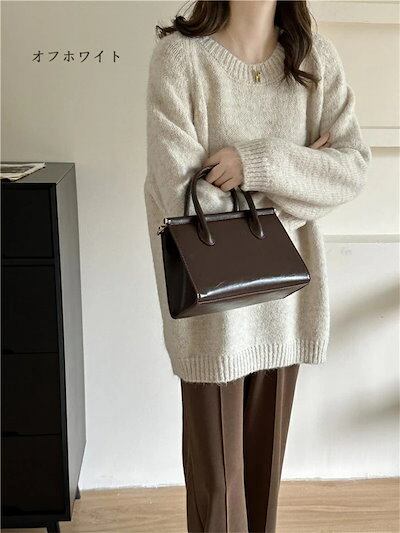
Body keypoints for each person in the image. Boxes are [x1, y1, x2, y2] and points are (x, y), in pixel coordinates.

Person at [143, 1, 371, 531]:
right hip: (210, 317)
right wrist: (301, 179)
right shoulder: (180, 59)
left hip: (286, 305)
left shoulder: (313, 58)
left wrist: (258, 163)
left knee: (264, 490)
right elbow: (180, 197)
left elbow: (351, 169)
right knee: (219, 503)